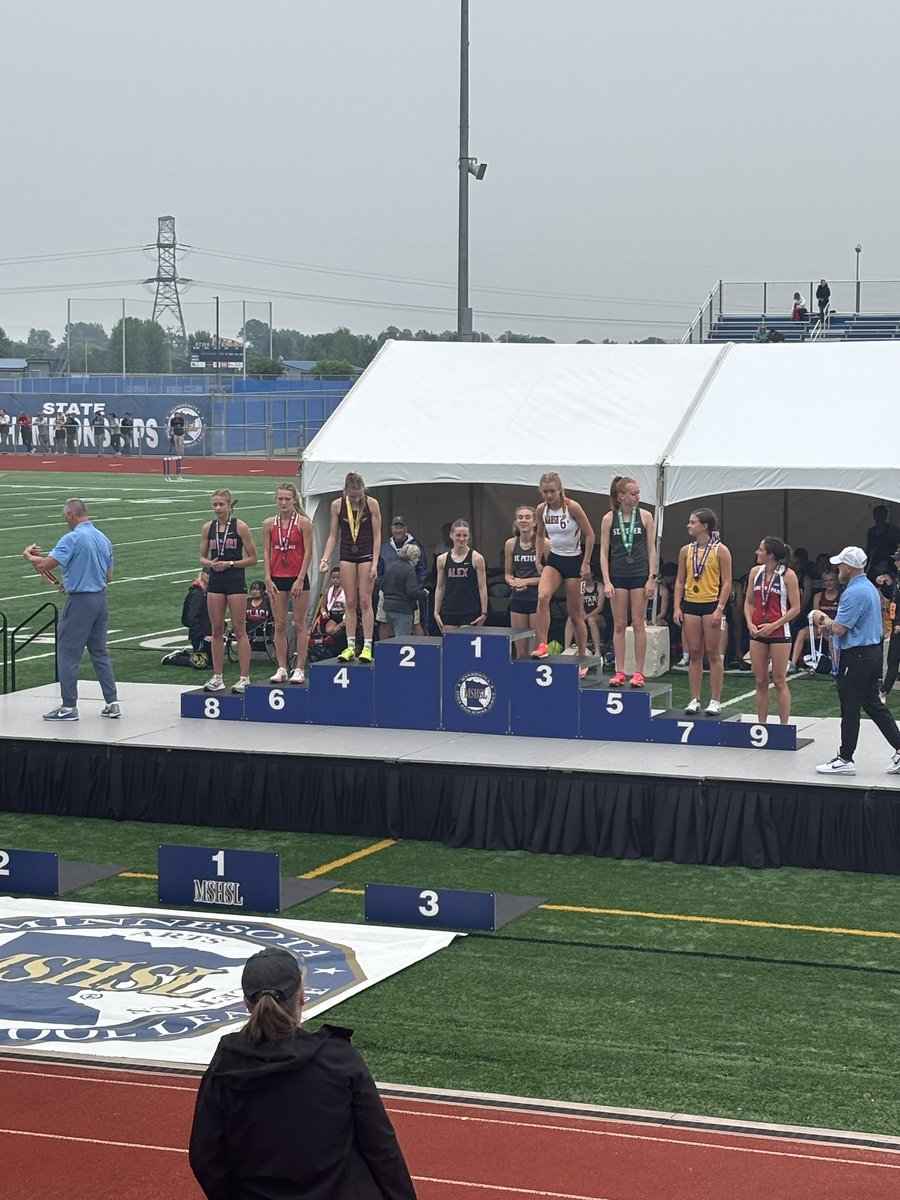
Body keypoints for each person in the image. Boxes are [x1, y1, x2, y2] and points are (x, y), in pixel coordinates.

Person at [189, 946, 417, 1200]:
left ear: (246, 1005)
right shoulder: (338, 1059)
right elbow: (381, 1147)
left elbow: (205, 1157)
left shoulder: (225, 1067)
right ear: (302, 997)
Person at [22, 498, 120, 722]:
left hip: (81, 602)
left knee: (68, 652)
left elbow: (44, 565)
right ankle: (112, 702)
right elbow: (108, 576)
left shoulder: (73, 537)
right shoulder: (103, 538)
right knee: (99, 651)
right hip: (100, 599)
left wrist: (28, 555)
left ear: (70, 515)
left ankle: (68, 706)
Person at [811, 547, 900, 775]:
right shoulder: (869, 587)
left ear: (849, 567)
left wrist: (821, 618)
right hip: (871, 652)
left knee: (850, 707)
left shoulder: (853, 593)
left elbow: (839, 628)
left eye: (841, 565)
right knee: (872, 704)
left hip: (857, 655)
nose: (838, 569)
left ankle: (845, 758)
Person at [532, 472, 595, 670]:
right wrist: (538, 556)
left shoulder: (572, 507)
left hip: (574, 560)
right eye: (545, 492)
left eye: (552, 491)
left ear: (560, 490)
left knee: (575, 614)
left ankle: (583, 656)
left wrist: (586, 562)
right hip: (555, 558)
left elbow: (591, 535)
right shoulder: (542, 509)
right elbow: (540, 535)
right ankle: (542, 645)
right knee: (543, 597)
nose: (549, 495)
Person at [599, 475, 658, 687]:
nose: (637, 497)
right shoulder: (609, 519)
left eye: (638, 493)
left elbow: (652, 549)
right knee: (620, 624)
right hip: (618, 575)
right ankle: (619, 670)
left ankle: (639, 672)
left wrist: (651, 578)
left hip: (640, 574)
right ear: (621, 496)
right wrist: (606, 581)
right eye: (633, 494)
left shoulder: (646, 516)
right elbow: (604, 553)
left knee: (639, 622)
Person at [673, 508, 733, 715]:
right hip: (690, 604)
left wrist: (720, 608)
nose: (689, 526)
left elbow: (727, 582)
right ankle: (694, 698)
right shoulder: (685, 551)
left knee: (713, 653)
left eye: (692, 522)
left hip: (711, 604)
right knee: (695, 653)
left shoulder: (720, 550)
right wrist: (676, 606)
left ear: (704, 526)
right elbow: (680, 580)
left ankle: (715, 700)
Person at [200, 489, 259, 694]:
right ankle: (218, 677)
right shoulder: (208, 527)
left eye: (221, 505)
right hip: (216, 580)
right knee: (216, 629)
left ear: (229, 505)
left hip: (235, 580)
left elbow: (253, 558)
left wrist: (231, 563)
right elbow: (202, 557)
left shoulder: (240, 526)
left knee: (239, 628)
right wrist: (210, 563)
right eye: (214, 505)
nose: (217, 508)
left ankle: (244, 677)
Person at [319, 471, 382, 663]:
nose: (356, 499)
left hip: (366, 555)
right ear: (346, 491)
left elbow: (377, 534)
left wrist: (375, 563)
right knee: (350, 601)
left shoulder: (372, 503)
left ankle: (368, 646)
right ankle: (350, 646)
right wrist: (325, 558)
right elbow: (333, 535)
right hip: (347, 554)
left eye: (359, 495)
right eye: (353, 496)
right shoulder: (337, 505)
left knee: (365, 600)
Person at [744, 536, 801, 725]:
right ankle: (761, 724)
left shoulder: (788, 575)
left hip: (779, 633)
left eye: (760, 550)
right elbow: (749, 601)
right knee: (760, 681)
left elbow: (796, 608)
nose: (756, 552)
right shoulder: (755, 572)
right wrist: (749, 623)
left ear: (770, 555)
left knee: (779, 680)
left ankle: (784, 725)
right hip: (757, 633)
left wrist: (774, 625)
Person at [262, 483, 313, 685]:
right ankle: (282, 667)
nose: (283, 502)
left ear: (294, 500)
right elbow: (267, 552)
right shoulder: (269, 524)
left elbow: (308, 552)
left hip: (297, 577)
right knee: (280, 624)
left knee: (299, 623)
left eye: (287, 499)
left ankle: (299, 668)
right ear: (275, 500)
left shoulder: (303, 522)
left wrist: (300, 578)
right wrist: (267, 577)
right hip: (277, 577)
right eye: (280, 499)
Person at [376, 516, 428, 638]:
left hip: (409, 596)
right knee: (383, 623)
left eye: (401, 527)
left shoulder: (416, 546)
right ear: (391, 529)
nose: (398, 530)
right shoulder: (384, 547)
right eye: (396, 527)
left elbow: (422, 569)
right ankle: (384, 652)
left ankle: (419, 651)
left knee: (415, 623)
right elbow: (378, 570)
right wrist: (382, 587)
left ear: (406, 528)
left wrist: (415, 589)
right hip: (387, 595)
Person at [433, 518, 488, 632]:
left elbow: (482, 587)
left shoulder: (477, 558)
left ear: (469, 536)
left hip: (469, 610)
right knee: (450, 646)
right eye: (458, 535)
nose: (461, 539)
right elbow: (440, 586)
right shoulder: (442, 559)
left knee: (466, 646)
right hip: (449, 610)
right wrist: (436, 612)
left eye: (464, 535)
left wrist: (484, 612)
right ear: (451, 535)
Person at [503, 505, 542, 658]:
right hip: (517, 599)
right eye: (520, 517)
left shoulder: (543, 543)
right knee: (521, 650)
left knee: (536, 648)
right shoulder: (510, 544)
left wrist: (526, 582)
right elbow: (507, 574)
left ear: (534, 522)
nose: (523, 520)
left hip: (536, 598)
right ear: (516, 522)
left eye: (527, 517)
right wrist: (513, 582)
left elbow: (550, 577)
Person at [788, 565, 841, 674]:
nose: (829, 583)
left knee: (832, 635)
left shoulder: (841, 596)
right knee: (802, 633)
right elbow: (815, 613)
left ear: (836, 581)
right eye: (826, 580)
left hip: (834, 628)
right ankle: (793, 664)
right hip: (820, 627)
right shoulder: (818, 596)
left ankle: (834, 664)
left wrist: (829, 628)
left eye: (831, 580)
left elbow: (841, 616)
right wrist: (820, 626)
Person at [382, 543, 429, 638]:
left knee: (393, 639)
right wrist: (424, 593)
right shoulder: (409, 569)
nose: (418, 560)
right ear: (413, 556)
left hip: (388, 607)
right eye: (417, 557)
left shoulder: (390, 567)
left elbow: (382, 585)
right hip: (402, 609)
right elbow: (412, 592)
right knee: (402, 640)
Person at [878, 549, 900, 703]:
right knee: (893, 659)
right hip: (895, 623)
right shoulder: (897, 578)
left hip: (898, 624)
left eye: (898, 559)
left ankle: (884, 690)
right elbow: (892, 596)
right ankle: (884, 690)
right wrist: (884, 585)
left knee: (893, 658)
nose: (895, 562)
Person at [864, 506, 900, 580]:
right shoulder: (871, 531)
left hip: (890, 561)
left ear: (886, 516)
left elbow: (897, 548)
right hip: (875, 561)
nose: (879, 517)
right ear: (874, 516)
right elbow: (869, 549)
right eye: (877, 515)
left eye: (882, 514)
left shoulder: (893, 530)